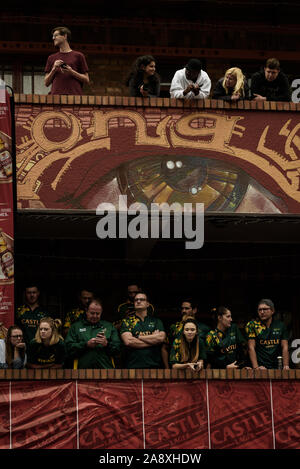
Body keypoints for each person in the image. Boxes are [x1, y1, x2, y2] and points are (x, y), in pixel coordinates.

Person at [65, 298, 121, 369]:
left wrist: (107, 344)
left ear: (101, 312)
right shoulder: (75, 327)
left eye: (97, 314)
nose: (95, 316)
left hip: (106, 371)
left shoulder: (109, 326)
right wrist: (86, 345)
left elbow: (118, 350)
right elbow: (68, 349)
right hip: (82, 372)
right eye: (92, 313)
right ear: (86, 311)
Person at [120, 292, 166, 369]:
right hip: (133, 366)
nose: (138, 301)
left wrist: (137, 337)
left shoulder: (156, 321)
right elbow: (129, 341)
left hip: (154, 366)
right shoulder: (127, 321)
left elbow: (160, 338)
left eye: (142, 299)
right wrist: (153, 341)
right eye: (136, 300)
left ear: (148, 304)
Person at [246, 299, 289, 369]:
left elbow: (285, 347)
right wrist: (256, 368)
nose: (262, 312)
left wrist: (286, 365)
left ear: (272, 311)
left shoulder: (281, 325)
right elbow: (251, 347)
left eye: (265, 309)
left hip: (277, 366)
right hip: (261, 367)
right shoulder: (252, 325)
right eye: (259, 310)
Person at [44, 26, 89, 95]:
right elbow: (46, 83)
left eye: (56, 35)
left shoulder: (79, 56)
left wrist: (71, 71)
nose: (53, 38)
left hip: (75, 98)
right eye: (53, 36)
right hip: (55, 98)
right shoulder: (51, 58)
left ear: (65, 36)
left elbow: (87, 80)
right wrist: (54, 69)